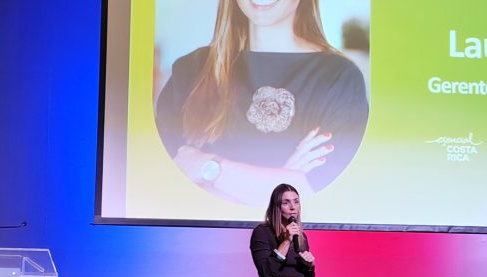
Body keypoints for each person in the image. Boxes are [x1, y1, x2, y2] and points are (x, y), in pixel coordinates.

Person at [155, 0, 369, 206]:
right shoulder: (191, 69)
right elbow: (165, 185)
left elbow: (313, 194)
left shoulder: (338, 77)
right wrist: (280, 183)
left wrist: (209, 167)